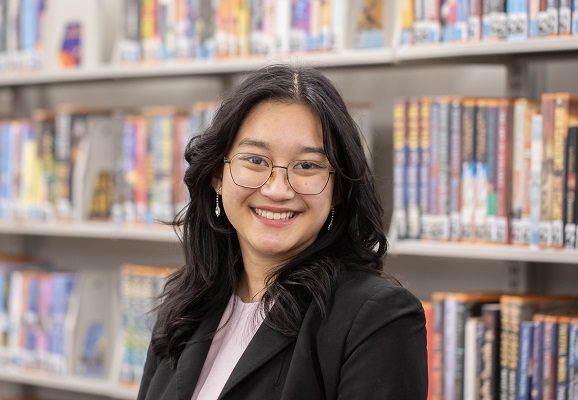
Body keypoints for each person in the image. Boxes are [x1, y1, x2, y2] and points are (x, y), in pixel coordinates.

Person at [137, 64, 427, 400]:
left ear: (338, 188)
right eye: (255, 160)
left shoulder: (377, 318)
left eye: (307, 165)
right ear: (218, 175)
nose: (277, 189)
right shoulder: (185, 311)